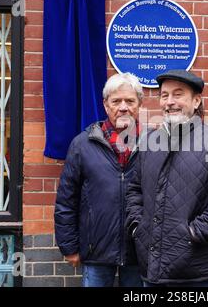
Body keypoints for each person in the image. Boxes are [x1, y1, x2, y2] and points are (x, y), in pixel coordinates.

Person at [125, 69, 208, 287]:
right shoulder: (149, 141)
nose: (169, 102)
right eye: (164, 95)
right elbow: (134, 188)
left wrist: (194, 233)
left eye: (178, 94)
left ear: (196, 100)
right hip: (151, 271)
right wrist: (137, 226)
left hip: (197, 273)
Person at [54, 72, 144, 287]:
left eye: (130, 101)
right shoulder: (83, 144)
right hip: (96, 250)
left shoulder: (153, 143)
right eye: (116, 101)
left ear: (139, 104)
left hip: (138, 251)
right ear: (106, 105)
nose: (123, 107)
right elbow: (67, 200)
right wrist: (69, 246)